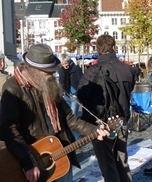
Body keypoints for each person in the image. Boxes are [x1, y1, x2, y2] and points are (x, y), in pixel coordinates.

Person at [0, 44, 109, 182]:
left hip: (60, 152)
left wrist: (93, 130)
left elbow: (69, 118)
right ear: (32, 69)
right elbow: (8, 129)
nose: (52, 75)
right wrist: (28, 160)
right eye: (48, 72)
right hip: (33, 158)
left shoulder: (50, 84)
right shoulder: (12, 88)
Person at [77, 34, 135, 182]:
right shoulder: (127, 69)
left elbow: (80, 94)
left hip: (100, 124)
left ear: (98, 49)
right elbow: (130, 89)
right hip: (121, 120)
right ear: (114, 47)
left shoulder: (92, 71)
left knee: (108, 165)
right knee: (122, 161)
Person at [57, 53, 83, 140]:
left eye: (66, 63)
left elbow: (81, 82)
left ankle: (77, 137)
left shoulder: (76, 69)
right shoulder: (60, 70)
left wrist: (77, 93)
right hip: (65, 95)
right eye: (63, 64)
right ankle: (72, 136)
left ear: (69, 61)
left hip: (74, 95)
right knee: (67, 117)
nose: (65, 65)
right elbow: (61, 83)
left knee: (73, 116)